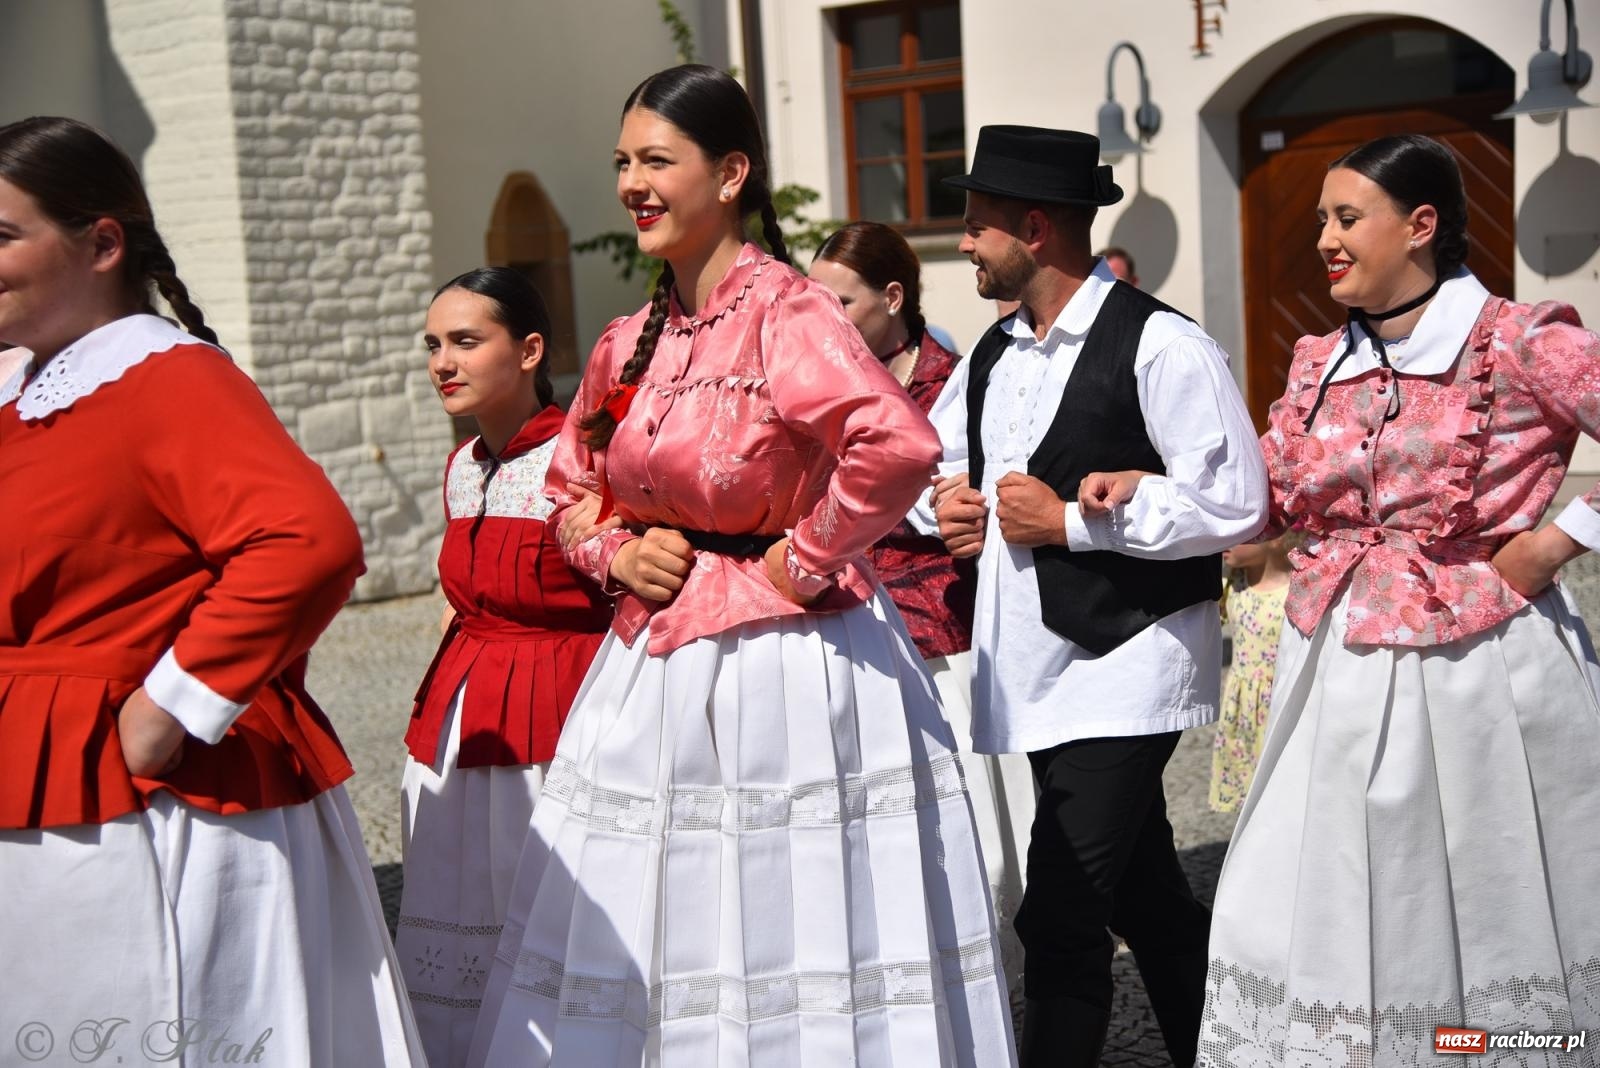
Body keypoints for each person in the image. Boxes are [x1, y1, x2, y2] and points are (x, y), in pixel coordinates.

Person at [467, 66, 1015, 1067]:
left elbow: (893, 447)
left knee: (781, 905)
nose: (632, 182)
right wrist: (617, 551)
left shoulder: (790, 313)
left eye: (656, 161)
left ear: (729, 174)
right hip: (654, 667)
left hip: (788, 665)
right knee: (662, 904)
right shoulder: (630, 339)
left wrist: (796, 567)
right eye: (623, 161)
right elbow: (567, 483)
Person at [0, 116, 424, 1063]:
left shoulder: (163, 378)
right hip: (47, 782)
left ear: (103, 242)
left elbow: (306, 542)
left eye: (1, 235)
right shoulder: (24, 387)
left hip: (153, 808)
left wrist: (174, 704)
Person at [1185, 133, 1600, 1066]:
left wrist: (1553, 543)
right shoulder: (1318, 358)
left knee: (1476, 893)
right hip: (1327, 668)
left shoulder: (1521, 341)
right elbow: (1270, 499)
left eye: (1344, 217)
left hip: (1479, 671)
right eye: (1321, 219)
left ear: (1421, 226)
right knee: (1317, 890)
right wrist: (1139, 496)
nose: (1324, 239)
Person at [920, 124, 1269, 1068]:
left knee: (1064, 913)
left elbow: (1237, 503)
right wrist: (947, 508)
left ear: (1034, 228)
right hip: (1034, 662)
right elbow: (940, 464)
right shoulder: (993, 354)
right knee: (1142, 891)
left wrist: (1077, 521)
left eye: (977, 224)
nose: (963, 243)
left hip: (1129, 658)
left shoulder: (1163, 344)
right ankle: (1224, 1048)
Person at [809, 220, 1034, 994]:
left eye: (839, 303)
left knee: (977, 838)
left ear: (893, 297)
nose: (824, 322)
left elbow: (990, 495)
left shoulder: (964, 380)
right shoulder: (820, 393)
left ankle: (998, 998)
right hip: (844, 638)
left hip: (945, 638)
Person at [398, 267, 612, 1066]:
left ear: (529, 351)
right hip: (462, 713)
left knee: (546, 901)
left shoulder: (584, 458)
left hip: (560, 712)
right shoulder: (461, 466)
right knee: (458, 896)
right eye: (432, 346)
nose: (442, 363)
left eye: (464, 341)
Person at [1208, 532, 1294, 813]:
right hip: (1243, 706)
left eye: (1239, 537)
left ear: (1274, 539)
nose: (1224, 543)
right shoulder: (1231, 585)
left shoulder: (1294, 592)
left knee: (1282, 786)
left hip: (1279, 703)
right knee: (1249, 787)